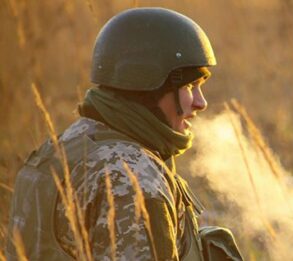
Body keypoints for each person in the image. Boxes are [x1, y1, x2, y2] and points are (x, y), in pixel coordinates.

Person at [6, 7, 242, 261]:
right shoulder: (135, 179)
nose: (200, 102)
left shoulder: (62, 148)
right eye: (189, 86)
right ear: (147, 85)